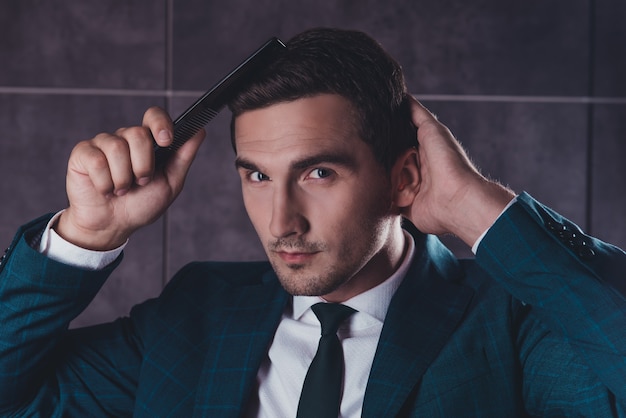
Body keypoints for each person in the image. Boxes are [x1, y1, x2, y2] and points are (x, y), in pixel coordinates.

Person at [0, 27, 625, 417]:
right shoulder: (197, 312)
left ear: (404, 176)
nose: (281, 222)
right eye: (257, 175)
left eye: (318, 173)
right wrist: (87, 237)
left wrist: (476, 208)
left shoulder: (508, 323)